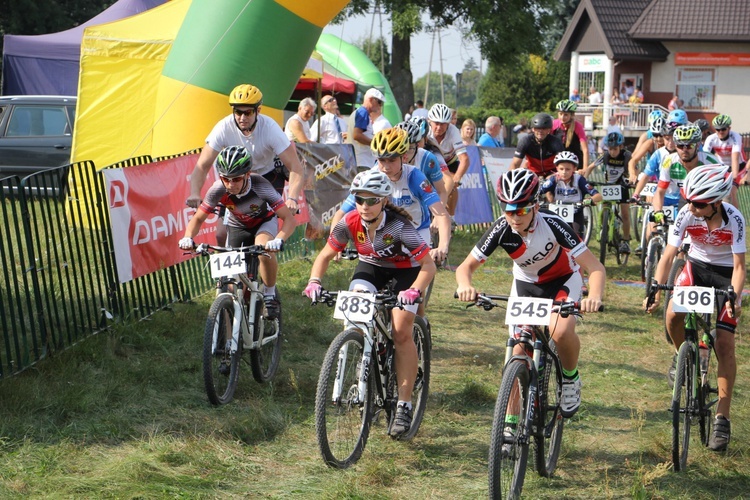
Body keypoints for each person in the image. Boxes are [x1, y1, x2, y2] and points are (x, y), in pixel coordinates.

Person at [455, 168, 605, 418]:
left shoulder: (554, 224)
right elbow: (465, 267)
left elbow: (595, 267)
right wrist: (464, 285)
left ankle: (570, 378)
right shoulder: (502, 228)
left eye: (522, 209)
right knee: (517, 350)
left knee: (560, 330)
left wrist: (595, 296)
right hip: (526, 286)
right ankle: (510, 424)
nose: (515, 216)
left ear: (535, 205)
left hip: (563, 281)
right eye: (508, 209)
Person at [303, 170, 437, 437]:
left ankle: (403, 404)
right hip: (372, 268)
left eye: (372, 200)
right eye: (360, 199)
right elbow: (326, 255)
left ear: (384, 200)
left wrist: (413, 291)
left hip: (406, 271)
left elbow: (428, 266)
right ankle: (361, 349)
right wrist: (315, 281)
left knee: (400, 332)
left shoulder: (399, 227)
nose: (365, 206)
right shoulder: (349, 222)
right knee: (353, 317)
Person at [643, 164, 744, 451]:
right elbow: (669, 254)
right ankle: (682, 356)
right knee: (673, 316)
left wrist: (734, 297)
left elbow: (739, 267)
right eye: (688, 200)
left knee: (724, 344)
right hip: (696, 267)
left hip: (725, 274)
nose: (691, 206)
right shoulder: (688, 213)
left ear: (716, 202)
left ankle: (722, 417)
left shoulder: (734, 219)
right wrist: (655, 288)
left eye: (698, 203)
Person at [179, 146, 298, 319]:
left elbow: (289, 219)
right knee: (231, 284)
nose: (230, 184)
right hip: (237, 226)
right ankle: (227, 334)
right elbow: (197, 219)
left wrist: (279, 239)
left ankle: (270, 294)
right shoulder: (217, 189)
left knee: (263, 250)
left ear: (247, 175)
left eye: (236, 179)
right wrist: (187, 237)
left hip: (263, 222)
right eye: (226, 179)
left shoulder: (260, 186)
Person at [330, 127, 451, 266]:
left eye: (392, 160)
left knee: (416, 279)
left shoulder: (415, 177)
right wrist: (335, 243)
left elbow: (442, 214)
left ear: (404, 157)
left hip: (417, 231)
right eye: (382, 160)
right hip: (385, 233)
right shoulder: (371, 177)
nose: (386, 167)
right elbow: (341, 213)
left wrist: (443, 246)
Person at [186, 83, 302, 218]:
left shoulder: (270, 128)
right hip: (236, 179)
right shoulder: (223, 127)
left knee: (262, 223)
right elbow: (202, 166)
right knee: (221, 234)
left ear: (258, 111)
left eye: (248, 112)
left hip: (266, 176)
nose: (242, 118)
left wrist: (292, 199)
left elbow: (296, 167)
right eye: (238, 112)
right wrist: (195, 193)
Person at [583, 131, 633, 253]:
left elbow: (633, 169)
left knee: (625, 214)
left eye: (615, 149)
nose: (612, 152)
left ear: (621, 147)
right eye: (610, 149)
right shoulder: (605, 156)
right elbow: (590, 167)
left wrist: (632, 178)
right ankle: (603, 228)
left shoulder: (627, 156)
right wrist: (583, 180)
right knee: (605, 208)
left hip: (623, 186)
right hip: (608, 186)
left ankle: (626, 241)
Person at [540, 151, 602, 239]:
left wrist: (589, 200)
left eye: (568, 169)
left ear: (574, 169)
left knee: (577, 238)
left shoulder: (579, 179)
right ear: (557, 168)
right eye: (561, 169)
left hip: (576, 213)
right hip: (557, 213)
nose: (564, 172)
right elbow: (539, 191)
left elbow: (598, 196)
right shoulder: (553, 179)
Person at [426, 103, 470, 217]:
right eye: (436, 123)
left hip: (450, 161)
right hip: (433, 159)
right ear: (429, 121)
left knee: (452, 186)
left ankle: (451, 217)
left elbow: (464, 159)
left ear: (449, 124)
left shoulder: (453, 131)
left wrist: (457, 178)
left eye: (443, 124)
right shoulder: (425, 129)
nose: (439, 128)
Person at [396, 120, 449, 206]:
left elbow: (441, 192)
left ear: (417, 147)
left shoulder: (428, 159)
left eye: (409, 148)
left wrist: (438, 216)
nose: (404, 154)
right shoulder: (387, 159)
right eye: (401, 148)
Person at [703, 114, 747, 205]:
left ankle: (734, 216)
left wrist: (734, 177)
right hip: (723, 167)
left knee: (731, 192)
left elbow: (735, 158)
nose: (720, 132)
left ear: (729, 128)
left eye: (723, 129)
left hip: (739, 167)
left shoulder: (735, 137)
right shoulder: (711, 139)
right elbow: (704, 157)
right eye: (717, 129)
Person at [509, 113, 564, 177]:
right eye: (537, 128)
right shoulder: (525, 141)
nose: (540, 131)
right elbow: (515, 164)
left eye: (544, 128)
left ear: (549, 130)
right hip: (532, 174)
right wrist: (511, 178)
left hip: (552, 173)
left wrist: (555, 176)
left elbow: (562, 164)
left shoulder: (555, 142)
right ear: (533, 129)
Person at [351, 88, 386, 168]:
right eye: (379, 102)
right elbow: (357, 135)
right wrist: (376, 144)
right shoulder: (363, 113)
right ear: (371, 99)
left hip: (357, 160)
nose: (380, 105)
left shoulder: (358, 112)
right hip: (362, 161)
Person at [552, 99, 589, 170]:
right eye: (560, 114)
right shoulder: (554, 124)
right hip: (559, 163)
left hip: (575, 164)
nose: (562, 117)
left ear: (572, 115)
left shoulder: (578, 126)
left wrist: (585, 169)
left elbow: (585, 150)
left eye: (566, 114)